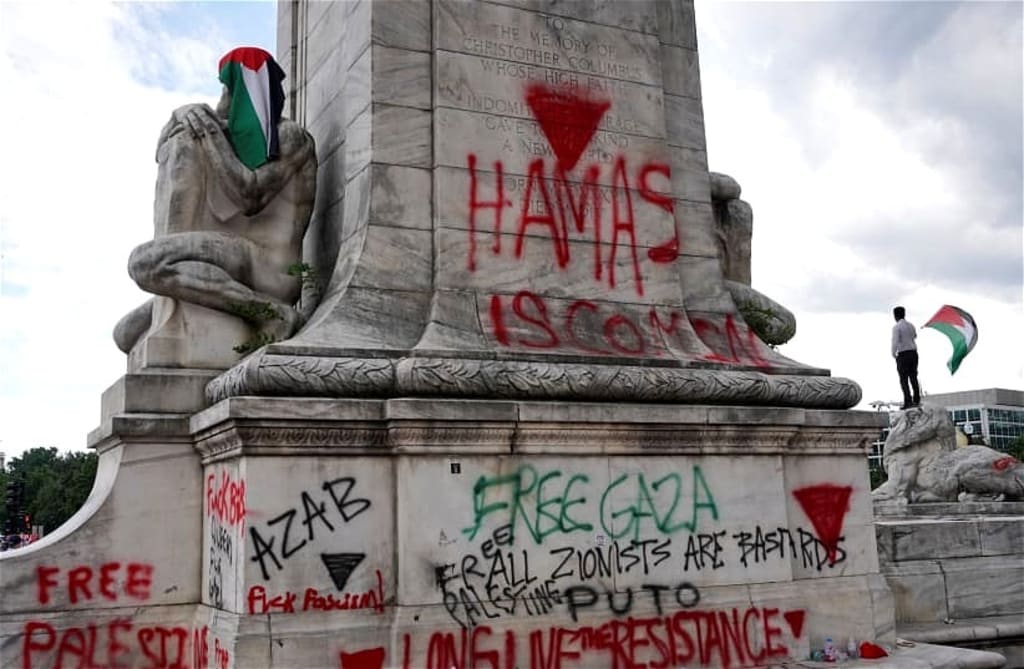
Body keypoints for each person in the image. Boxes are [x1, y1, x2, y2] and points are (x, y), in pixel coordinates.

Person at [114, 47, 317, 354]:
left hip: (270, 268)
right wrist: (179, 115)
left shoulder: (290, 135)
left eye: (226, 88)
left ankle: (271, 313)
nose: (221, 98)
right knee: (125, 333)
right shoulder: (230, 137)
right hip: (235, 260)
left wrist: (207, 131)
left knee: (145, 262)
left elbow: (250, 195)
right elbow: (163, 154)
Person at [891, 306, 921, 409]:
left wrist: (893, 353)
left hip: (903, 354)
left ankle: (908, 401)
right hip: (913, 353)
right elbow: (915, 336)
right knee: (913, 377)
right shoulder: (911, 325)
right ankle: (916, 399)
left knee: (903, 379)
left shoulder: (896, 327)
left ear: (895, 316)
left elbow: (895, 341)